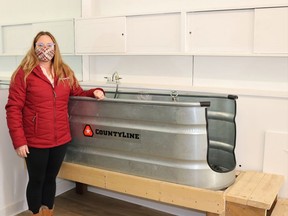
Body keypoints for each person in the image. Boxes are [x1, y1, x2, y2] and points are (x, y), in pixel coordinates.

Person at [5, 31, 105, 216]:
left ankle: (48, 213)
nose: (45, 49)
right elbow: (13, 109)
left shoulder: (64, 71)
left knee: (51, 178)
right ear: (34, 48)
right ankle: (36, 213)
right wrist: (19, 141)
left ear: (55, 48)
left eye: (49, 45)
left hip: (60, 138)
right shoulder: (24, 73)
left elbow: (78, 93)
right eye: (40, 45)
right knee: (37, 180)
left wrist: (95, 92)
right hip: (35, 140)